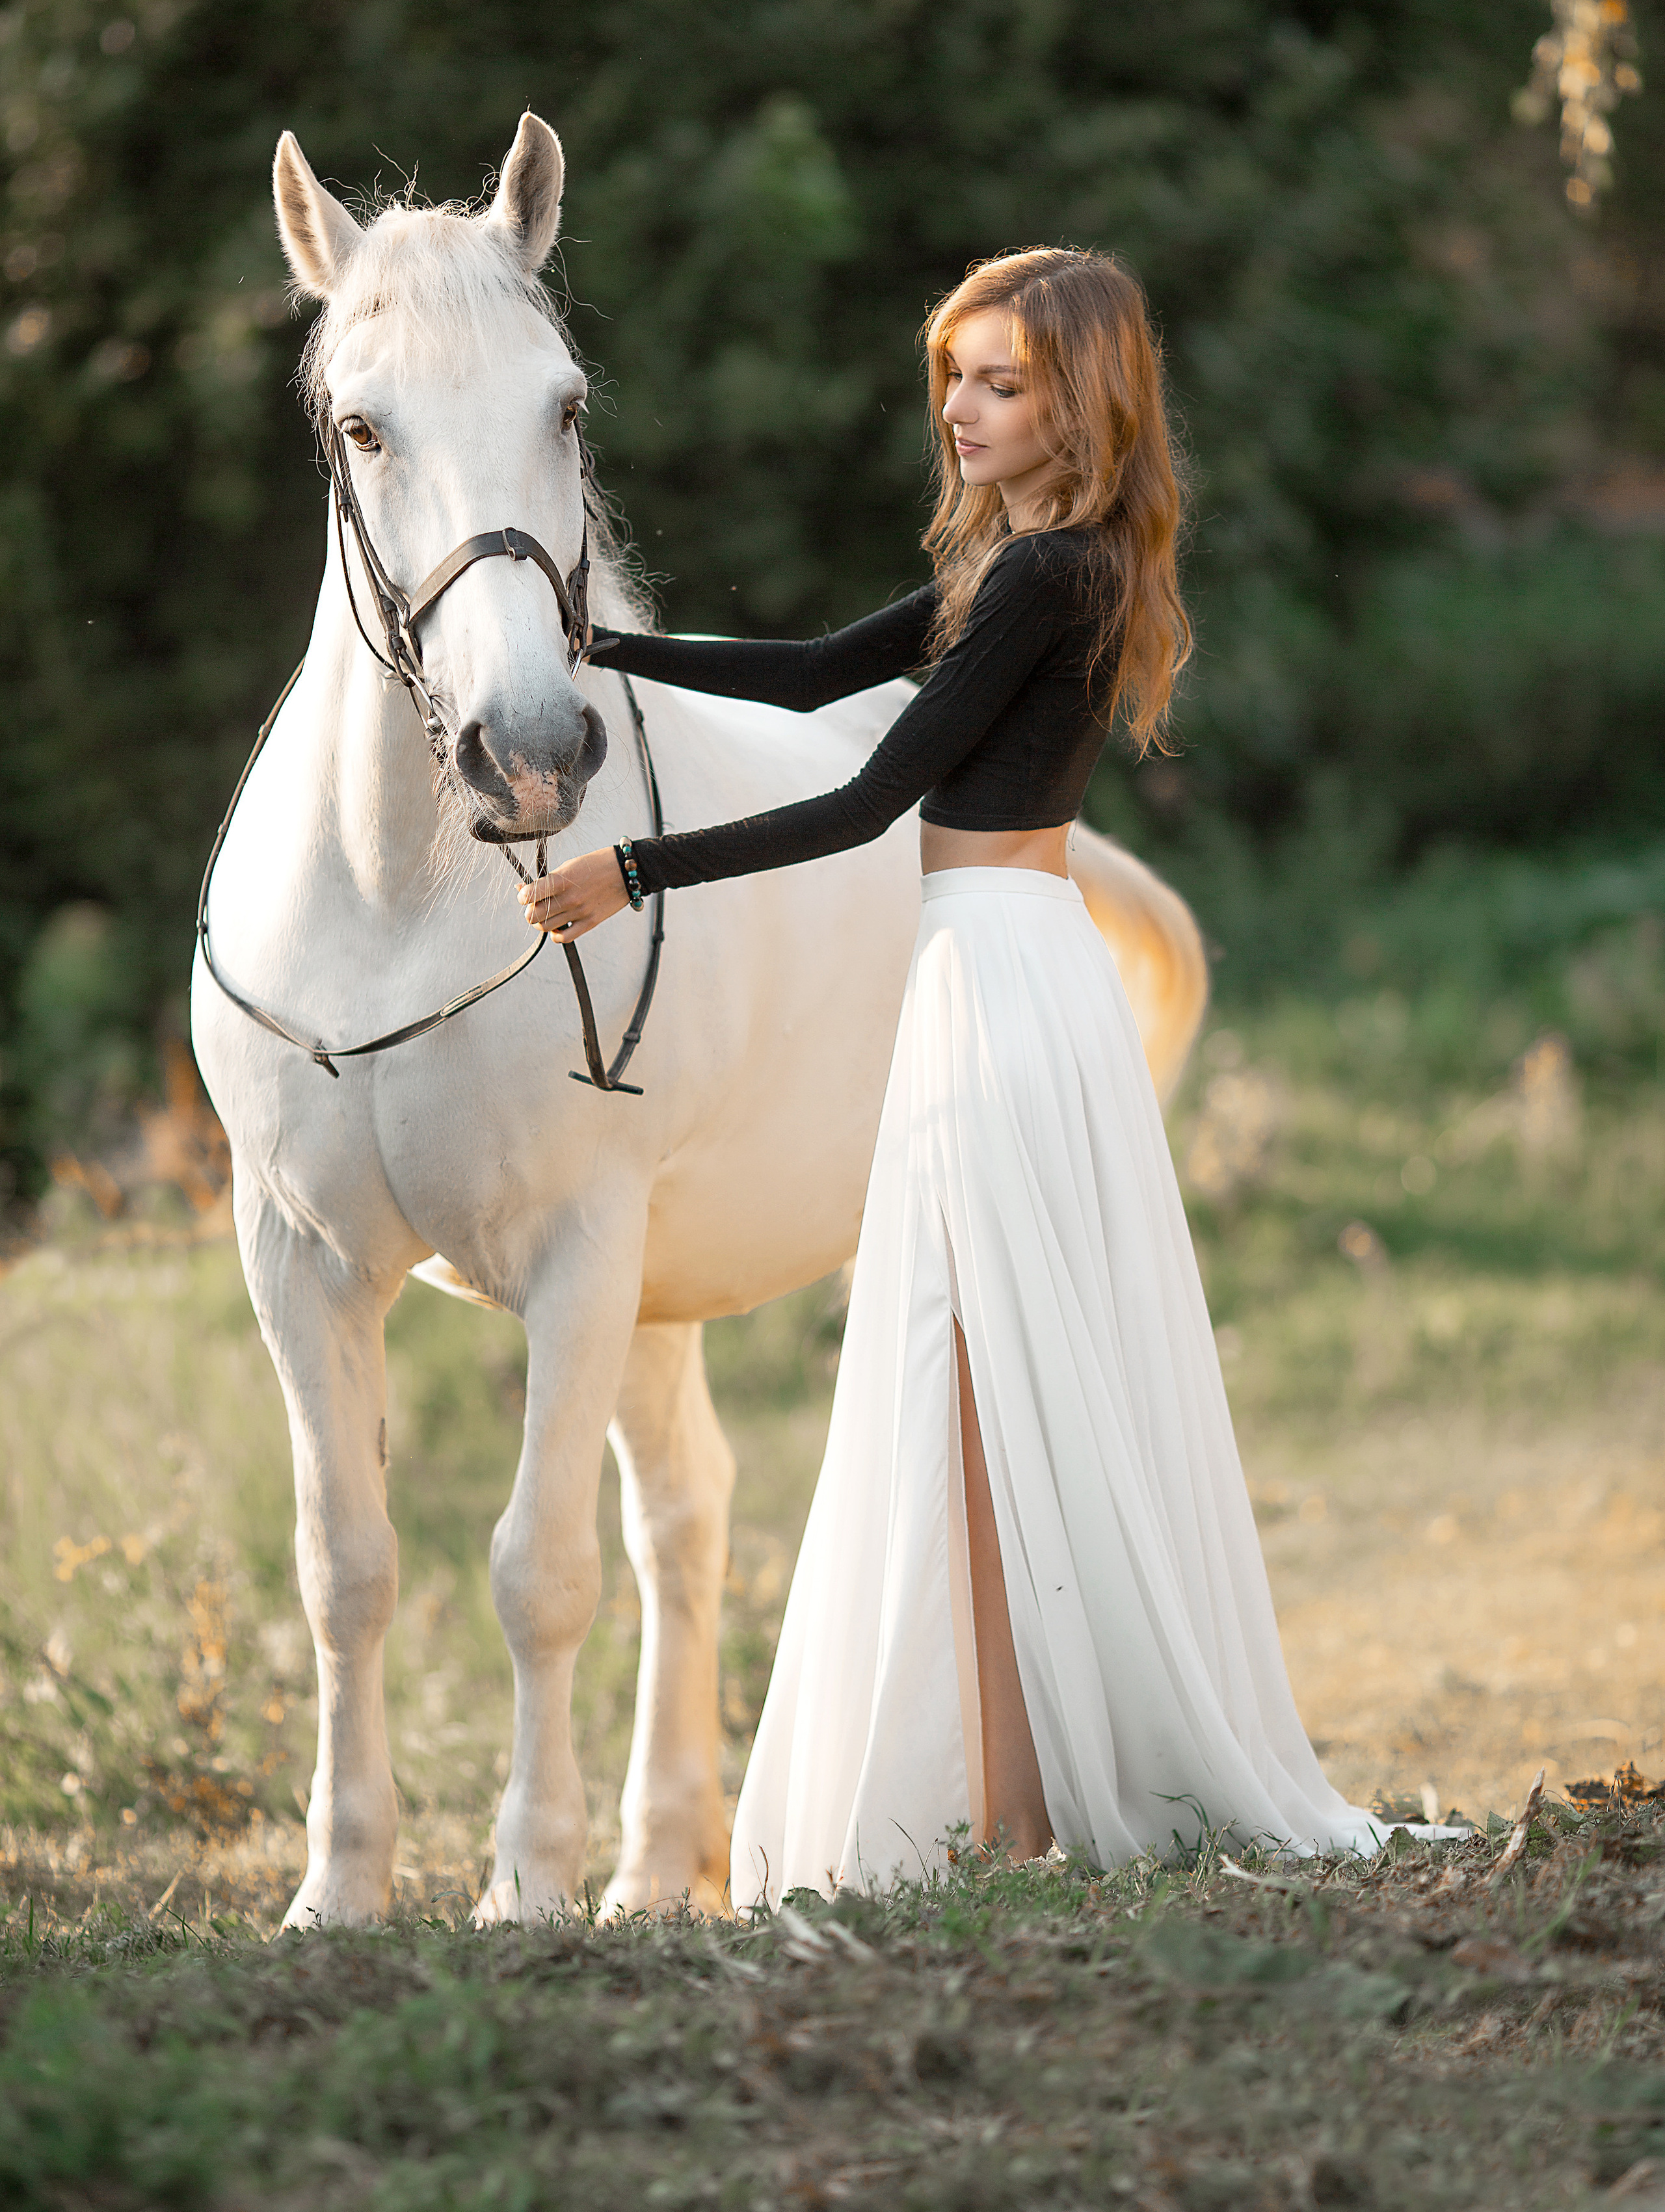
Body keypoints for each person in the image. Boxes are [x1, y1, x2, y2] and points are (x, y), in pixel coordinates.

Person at [520, 246, 1392, 1909]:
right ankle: (1012, 1799)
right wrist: (603, 652)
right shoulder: (1017, 567)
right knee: (975, 1388)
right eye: (955, 378)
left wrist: (630, 871)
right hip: (988, 966)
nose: (962, 408)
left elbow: (867, 797)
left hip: (997, 973)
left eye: (1001, 381)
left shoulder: (1049, 581)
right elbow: (806, 678)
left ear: (1081, 396)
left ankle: (1012, 1808)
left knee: (985, 1382)